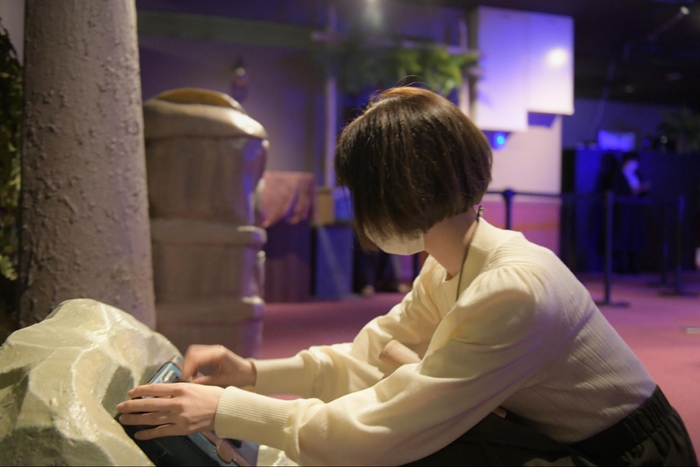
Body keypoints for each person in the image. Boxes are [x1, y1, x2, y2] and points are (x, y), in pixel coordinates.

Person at [117, 87, 697, 466]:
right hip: (569, 434)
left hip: (630, 456)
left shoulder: (512, 289)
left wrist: (224, 409)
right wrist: (249, 374)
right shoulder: (452, 263)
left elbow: (384, 429)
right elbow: (369, 357)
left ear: (396, 193)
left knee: (412, 449)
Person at [612, 151, 651, 274]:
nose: (634, 163)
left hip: (636, 211)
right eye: (632, 161)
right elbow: (618, 193)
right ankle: (622, 266)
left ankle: (633, 265)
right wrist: (636, 190)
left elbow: (643, 192)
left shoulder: (638, 174)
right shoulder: (618, 175)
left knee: (635, 238)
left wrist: (643, 189)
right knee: (623, 238)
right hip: (623, 212)